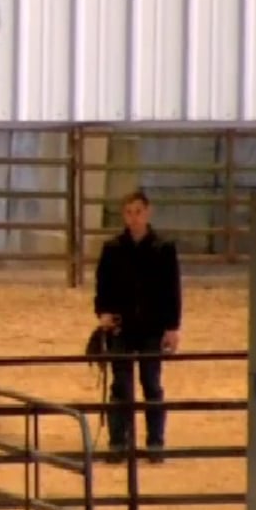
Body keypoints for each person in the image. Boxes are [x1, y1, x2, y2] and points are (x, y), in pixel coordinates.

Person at [92, 189, 182, 463]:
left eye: (138, 212)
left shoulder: (164, 248)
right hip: (122, 325)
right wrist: (103, 313)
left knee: (151, 383)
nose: (134, 218)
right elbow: (102, 286)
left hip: (152, 327)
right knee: (121, 385)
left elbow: (172, 290)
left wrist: (172, 328)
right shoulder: (112, 249)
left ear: (148, 212)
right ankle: (119, 442)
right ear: (124, 215)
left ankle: (155, 443)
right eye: (129, 212)